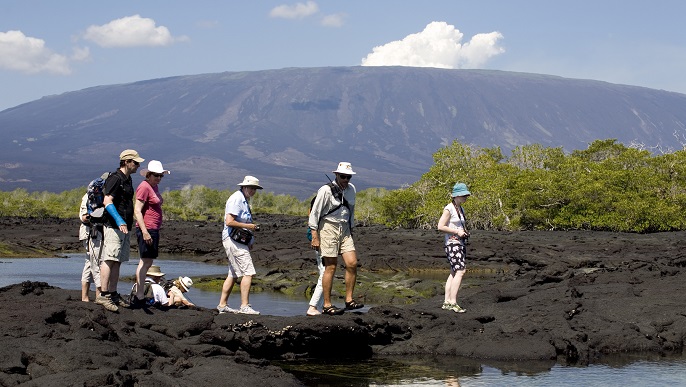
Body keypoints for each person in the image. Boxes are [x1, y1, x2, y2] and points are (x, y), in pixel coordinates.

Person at [308, 162, 363, 315]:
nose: (346, 179)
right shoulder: (325, 190)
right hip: (328, 229)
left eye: (348, 177)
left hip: (345, 229)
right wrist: (315, 236)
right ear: (336, 175)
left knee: (352, 263)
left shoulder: (352, 190)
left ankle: (349, 300)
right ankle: (327, 305)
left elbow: (351, 210)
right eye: (343, 176)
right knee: (330, 267)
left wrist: (351, 230)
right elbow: (315, 213)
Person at [95, 149, 144, 312]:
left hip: (124, 227)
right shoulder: (115, 179)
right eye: (136, 162)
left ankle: (113, 294)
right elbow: (107, 201)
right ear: (126, 162)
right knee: (109, 259)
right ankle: (103, 295)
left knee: (117, 260)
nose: (138, 165)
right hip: (113, 226)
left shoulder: (128, 179)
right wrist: (119, 220)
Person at [217, 176, 262, 315]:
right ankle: (244, 306)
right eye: (251, 188)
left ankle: (222, 305)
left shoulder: (243, 199)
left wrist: (249, 240)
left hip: (238, 241)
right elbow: (229, 221)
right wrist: (249, 226)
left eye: (255, 189)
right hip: (233, 240)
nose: (253, 191)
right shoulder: (237, 199)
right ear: (244, 187)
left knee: (234, 273)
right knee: (248, 273)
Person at [132, 160, 170, 305]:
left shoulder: (154, 187)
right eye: (156, 175)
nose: (159, 178)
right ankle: (139, 295)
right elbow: (137, 210)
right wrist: (145, 231)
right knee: (145, 261)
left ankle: (139, 294)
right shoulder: (144, 186)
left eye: (161, 176)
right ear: (149, 175)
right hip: (147, 228)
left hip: (153, 228)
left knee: (147, 261)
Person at [437, 182, 471, 313]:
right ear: (455, 196)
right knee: (461, 271)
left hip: (459, 243)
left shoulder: (460, 209)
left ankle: (447, 302)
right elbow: (440, 226)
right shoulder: (449, 208)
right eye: (463, 195)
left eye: (466, 195)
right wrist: (457, 232)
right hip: (452, 244)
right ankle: (453, 302)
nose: (465, 197)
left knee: (454, 271)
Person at [78, 193, 101, 302]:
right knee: (97, 263)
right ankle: (98, 297)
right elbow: (84, 217)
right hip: (90, 234)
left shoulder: (101, 195)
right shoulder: (90, 196)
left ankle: (86, 297)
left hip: (95, 233)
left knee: (89, 263)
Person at [305, 250, 325, 316]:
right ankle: (313, 307)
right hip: (322, 245)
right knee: (325, 274)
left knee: (326, 273)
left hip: (325, 244)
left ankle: (323, 306)